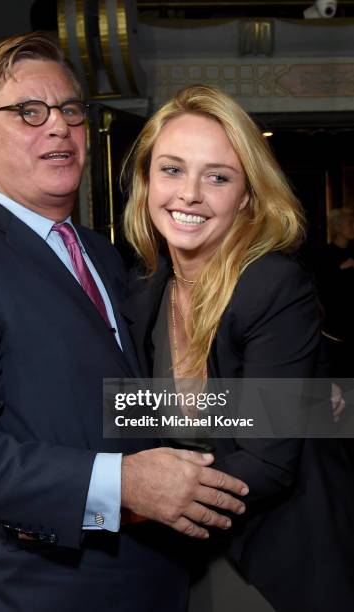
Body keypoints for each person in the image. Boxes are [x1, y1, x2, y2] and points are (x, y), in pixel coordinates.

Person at [0, 35, 249, 612]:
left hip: (153, 578)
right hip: (37, 589)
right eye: (29, 111)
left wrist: (304, 403)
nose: (57, 126)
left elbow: (132, 404)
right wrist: (121, 484)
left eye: (70, 110)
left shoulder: (103, 256)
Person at [122, 84, 354, 612]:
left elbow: (269, 464)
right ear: (146, 180)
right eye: (172, 169)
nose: (189, 194)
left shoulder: (270, 284)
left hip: (276, 560)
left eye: (218, 177)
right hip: (178, 559)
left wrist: (128, 500)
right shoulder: (141, 293)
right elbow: (135, 413)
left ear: (247, 194)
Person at [315, 207, 354, 380]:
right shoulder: (325, 254)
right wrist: (340, 269)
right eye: (350, 223)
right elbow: (322, 285)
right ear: (338, 227)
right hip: (335, 324)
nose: (353, 227)